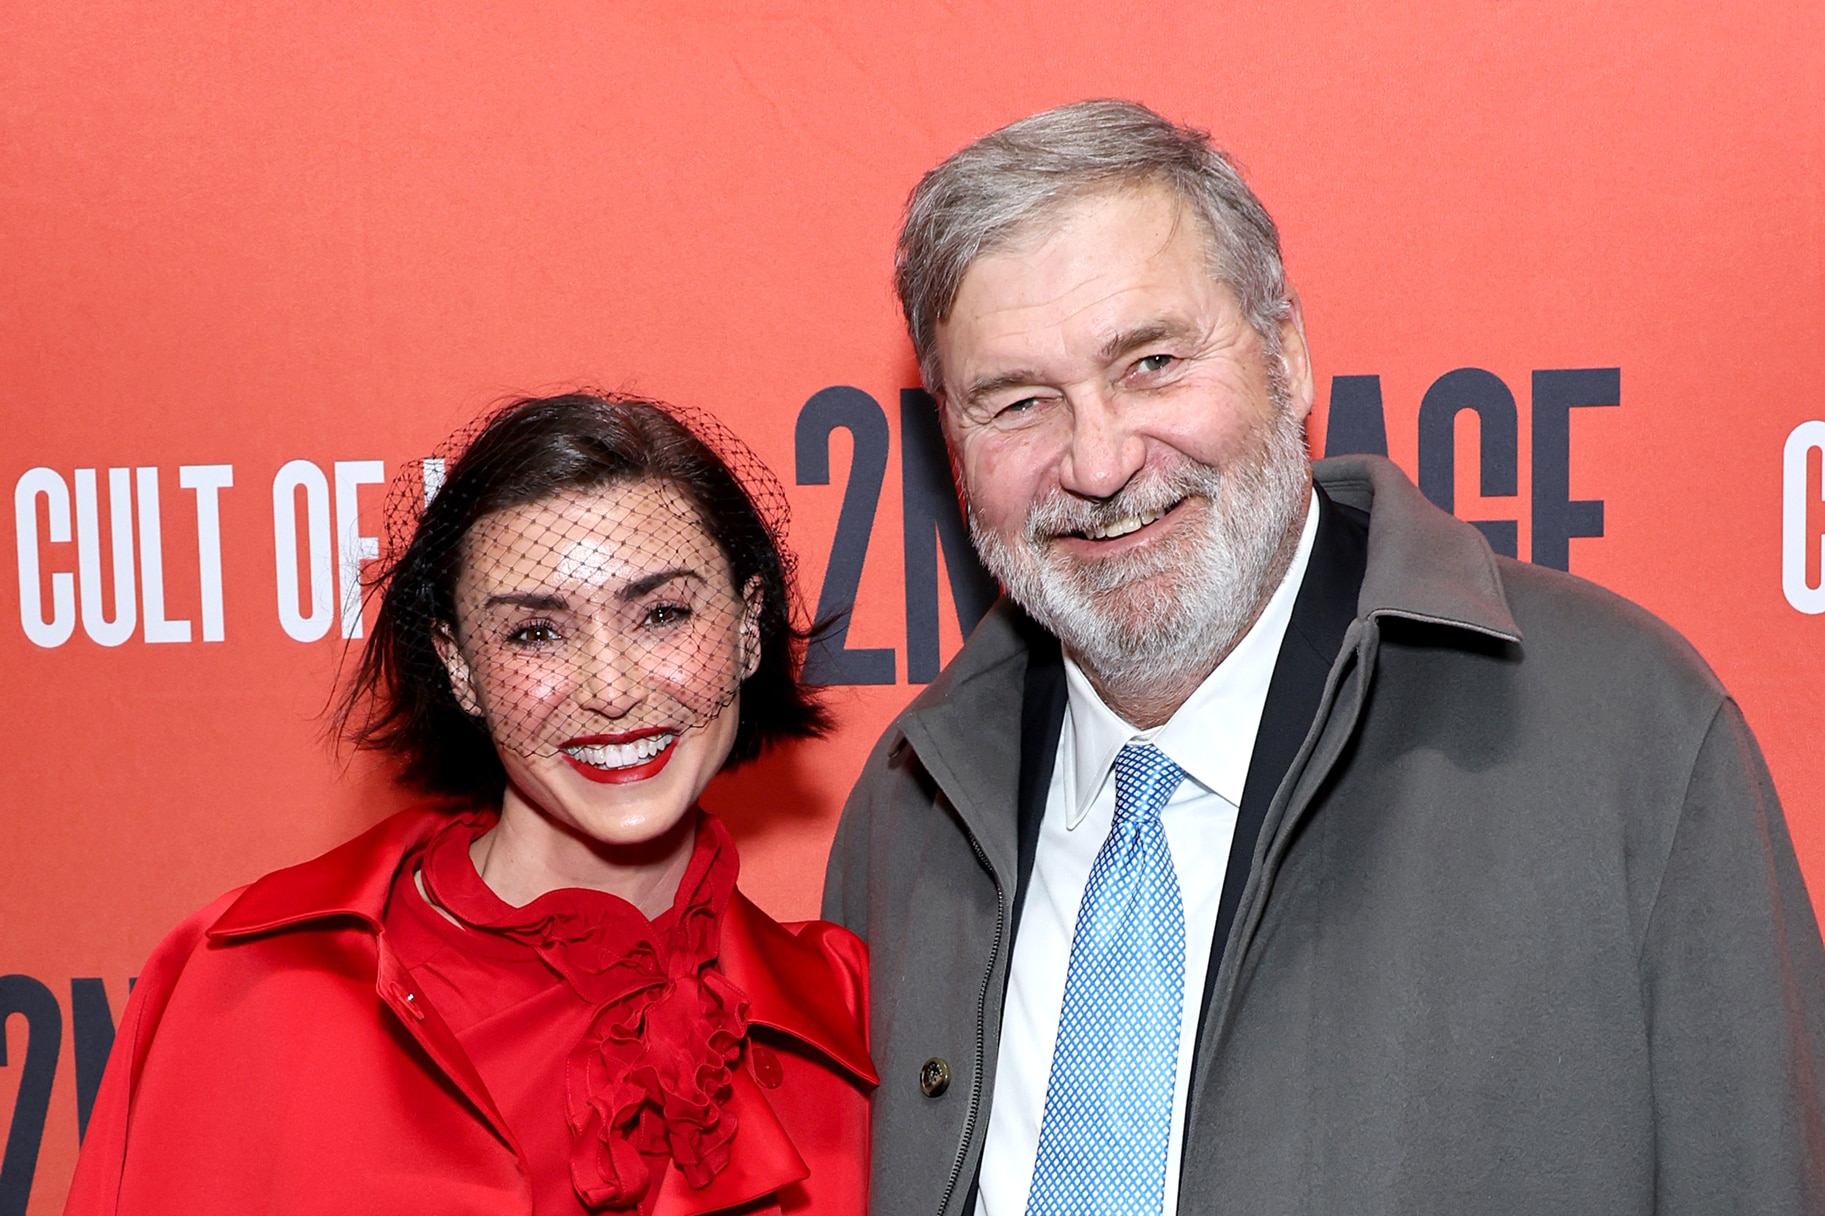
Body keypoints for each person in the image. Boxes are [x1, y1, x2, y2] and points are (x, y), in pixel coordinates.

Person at [823, 99, 1825, 1215]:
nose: (1098, 461)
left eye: (1151, 362)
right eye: (1018, 402)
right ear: (952, 448)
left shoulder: (1623, 732)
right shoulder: (905, 813)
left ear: (1287, 354)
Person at [67, 392, 875, 1215]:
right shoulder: (251, 981)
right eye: (536, 633)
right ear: (459, 667)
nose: (610, 690)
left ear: (746, 627)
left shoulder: (852, 1020)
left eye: (662, 615)